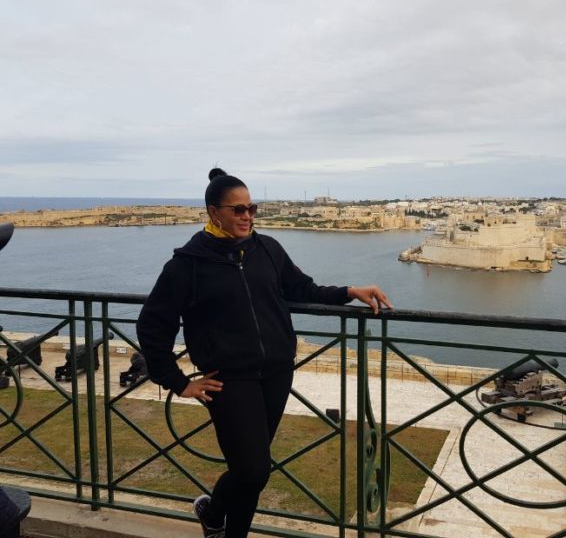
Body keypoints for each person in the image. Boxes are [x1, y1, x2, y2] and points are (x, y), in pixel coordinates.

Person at [136, 168, 392, 538]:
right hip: (229, 380)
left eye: (252, 208)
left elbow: (303, 288)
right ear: (213, 213)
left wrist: (351, 291)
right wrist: (177, 382)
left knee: (250, 470)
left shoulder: (267, 249)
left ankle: (213, 514)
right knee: (254, 470)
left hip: (275, 373)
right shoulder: (187, 265)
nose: (247, 216)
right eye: (238, 210)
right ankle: (216, 517)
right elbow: (153, 324)